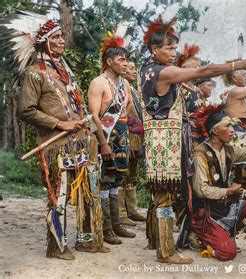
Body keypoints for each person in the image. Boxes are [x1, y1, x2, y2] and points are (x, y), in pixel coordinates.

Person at [140, 15, 246, 264]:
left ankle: (157, 241)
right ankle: (166, 251)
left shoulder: (146, 69)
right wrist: (236, 64)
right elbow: (204, 71)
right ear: (155, 49)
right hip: (166, 144)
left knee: (161, 194)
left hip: (160, 141)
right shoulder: (161, 72)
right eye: (169, 48)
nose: (174, 53)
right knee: (165, 195)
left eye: (175, 47)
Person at [7, 15, 109, 259]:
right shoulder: (34, 74)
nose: (63, 40)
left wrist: (91, 131)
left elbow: (78, 105)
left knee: (87, 194)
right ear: (43, 42)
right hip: (57, 146)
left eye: (62, 36)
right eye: (56, 37)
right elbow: (26, 110)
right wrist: (59, 123)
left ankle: (86, 241)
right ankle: (57, 246)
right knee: (59, 196)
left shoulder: (65, 70)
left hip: (82, 142)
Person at [188, 104, 246, 261]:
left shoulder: (228, 150)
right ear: (215, 131)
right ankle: (198, 233)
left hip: (224, 206)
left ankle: (224, 232)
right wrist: (228, 191)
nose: (232, 130)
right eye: (227, 126)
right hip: (206, 212)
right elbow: (201, 190)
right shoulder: (201, 153)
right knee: (227, 253)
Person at [88, 33, 136, 245]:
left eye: (126, 60)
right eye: (121, 60)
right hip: (106, 137)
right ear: (109, 62)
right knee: (105, 181)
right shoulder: (99, 83)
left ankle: (116, 225)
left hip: (122, 137)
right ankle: (106, 228)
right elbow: (94, 116)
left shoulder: (125, 85)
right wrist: (103, 143)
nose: (125, 63)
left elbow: (130, 111)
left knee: (117, 180)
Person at [118, 61, 147, 226]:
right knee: (123, 172)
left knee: (132, 173)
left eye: (136, 68)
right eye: (131, 68)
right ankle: (121, 213)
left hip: (135, 136)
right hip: (124, 135)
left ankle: (132, 209)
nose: (135, 72)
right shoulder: (121, 87)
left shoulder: (134, 90)